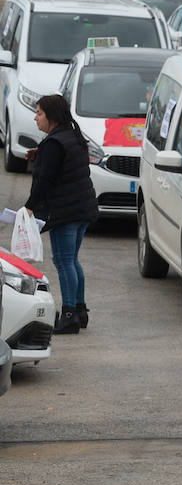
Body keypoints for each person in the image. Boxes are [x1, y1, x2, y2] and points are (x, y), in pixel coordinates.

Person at [23, 95, 99, 334]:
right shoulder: (71, 136)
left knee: (64, 261)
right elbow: (61, 163)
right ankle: (79, 310)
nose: (36, 117)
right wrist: (41, 154)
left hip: (66, 211)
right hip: (82, 208)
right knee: (72, 260)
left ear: (52, 117)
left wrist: (29, 206)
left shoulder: (54, 143)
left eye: (39, 113)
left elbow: (45, 180)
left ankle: (69, 316)